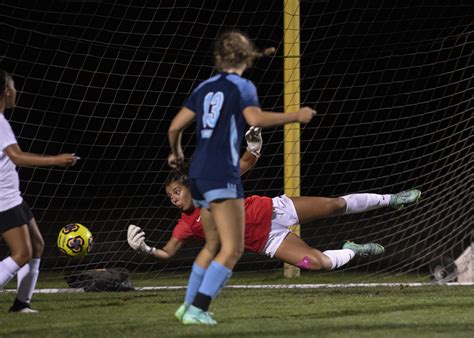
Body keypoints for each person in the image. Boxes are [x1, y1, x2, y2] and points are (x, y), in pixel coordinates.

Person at [135, 126, 421, 321]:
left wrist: (255, 144)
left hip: (274, 210)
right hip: (268, 242)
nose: (173, 199)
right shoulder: (185, 225)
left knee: (334, 205)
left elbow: (246, 163)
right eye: (169, 196)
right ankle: (354, 250)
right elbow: (168, 252)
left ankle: (391, 198)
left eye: (176, 191)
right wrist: (145, 249)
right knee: (315, 264)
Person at [167, 30, 316, 325]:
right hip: (223, 172)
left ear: (219, 58)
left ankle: (187, 307)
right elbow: (256, 119)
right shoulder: (243, 86)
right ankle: (198, 308)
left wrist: (176, 153)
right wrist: (295, 116)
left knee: (212, 245)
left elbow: (174, 128)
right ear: (246, 59)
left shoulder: (205, 86)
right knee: (232, 248)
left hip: (197, 174)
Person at [0, 70, 79, 313]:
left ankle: (21, 304)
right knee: (22, 252)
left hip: (13, 196)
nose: (16, 91)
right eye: (13, 86)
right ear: (6, 91)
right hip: (3, 199)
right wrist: (55, 160)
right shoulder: (0, 122)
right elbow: (17, 157)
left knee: (36, 245)